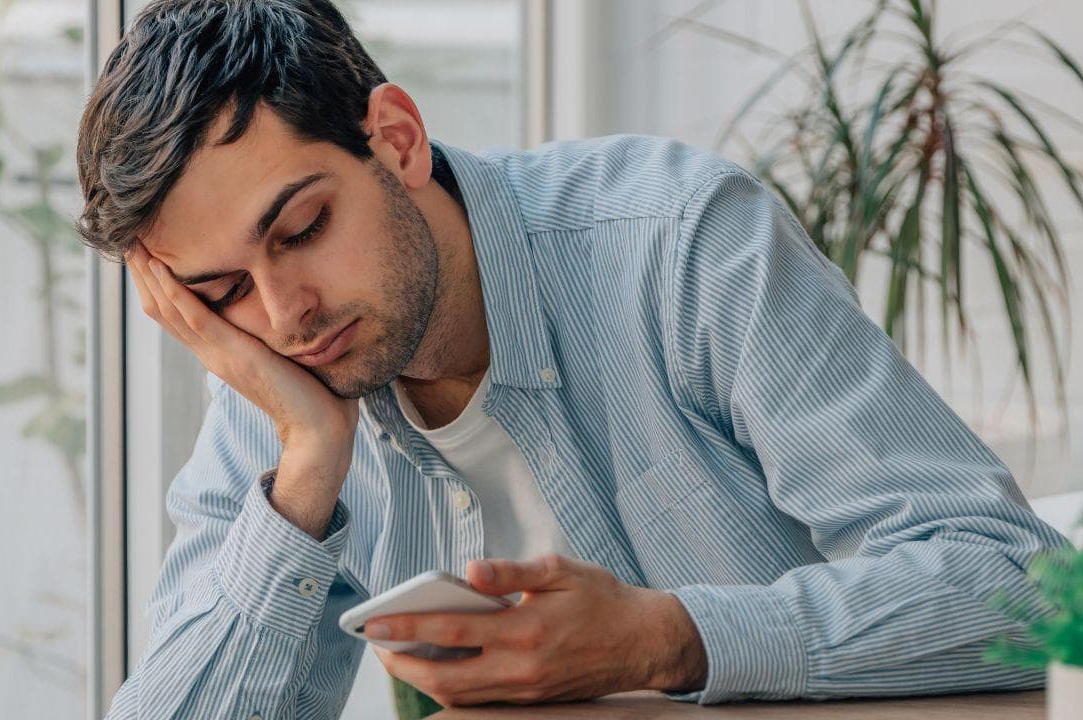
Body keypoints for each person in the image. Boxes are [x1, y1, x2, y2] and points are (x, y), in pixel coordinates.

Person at [74, 0, 1066, 716]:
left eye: (303, 226)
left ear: (396, 138)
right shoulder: (284, 391)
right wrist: (304, 473)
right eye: (219, 292)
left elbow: (1015, 583)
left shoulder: (679, 243)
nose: (284, 312)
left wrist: (665, 638)